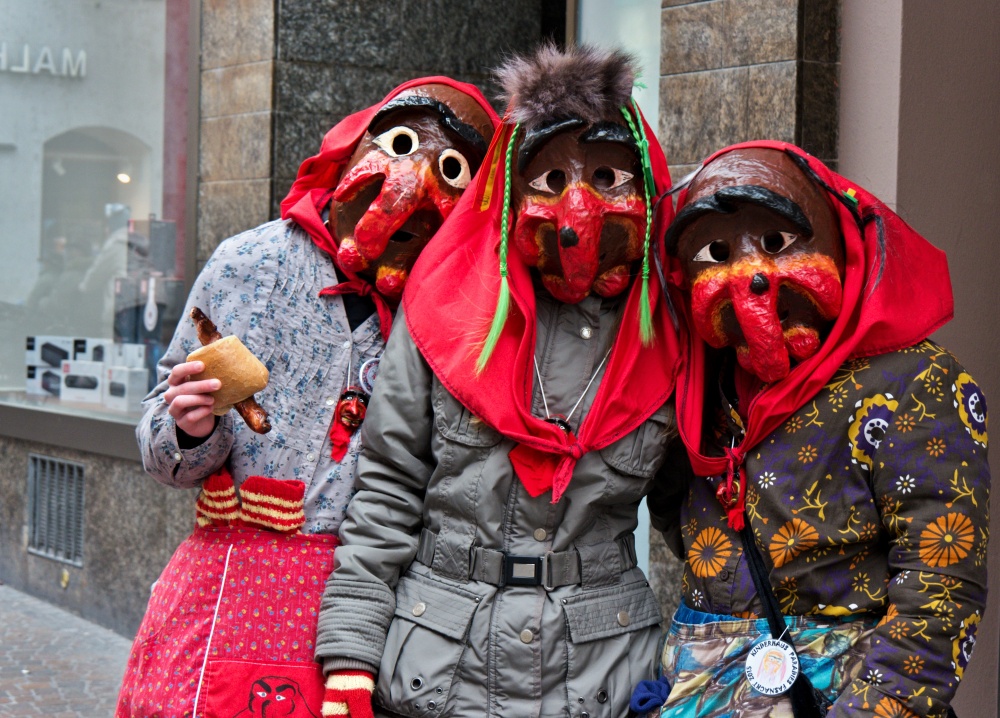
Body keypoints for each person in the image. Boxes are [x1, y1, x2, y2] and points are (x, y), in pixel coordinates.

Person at [314, 44, 687, 718]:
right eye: (548, 179)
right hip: (442, 669)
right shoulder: (442, 312)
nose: (580, 205)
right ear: (510, 191)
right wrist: (348, 657)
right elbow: (387, 487)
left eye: (608, 176)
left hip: (603, 675)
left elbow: (695, 512)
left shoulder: (668, 338)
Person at [117, 77, 498, 716]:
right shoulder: (249, 263)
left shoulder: (451, 310)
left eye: (453, 169)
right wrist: (187, 428)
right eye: (400, 142)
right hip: (226, 592)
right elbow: (161, 448)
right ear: (352, 150)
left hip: (363, 604)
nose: (414, 180)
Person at [646, 141, 990, 718]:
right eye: (717, 251)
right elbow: (675, 520)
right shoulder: (697, 387)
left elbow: (939, 594)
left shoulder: (916, 383)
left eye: (778, 242)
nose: (750, 274)